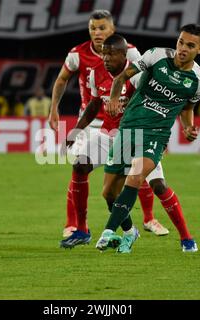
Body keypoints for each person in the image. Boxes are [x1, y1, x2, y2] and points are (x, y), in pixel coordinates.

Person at [49, 9, 166, 238]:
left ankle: (149, 218)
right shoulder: (77, 54)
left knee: (138, 169)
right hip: (92, 121)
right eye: (93, 28)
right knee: (79, 169)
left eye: (102, 28)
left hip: (125, 121)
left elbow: (144, 81)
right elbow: (62, 79)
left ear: (112, 29)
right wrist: (54, 108)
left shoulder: (129, 51)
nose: (97, 32)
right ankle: (74, 224)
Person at [95, 24, 200, 254]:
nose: (182, 48)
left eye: (190, 45)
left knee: (137, 177)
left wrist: (188, 127)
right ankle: (129, 233)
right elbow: (120, 78)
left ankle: (108, 232)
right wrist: (115, 99)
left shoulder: (199, 80)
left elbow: (187, 108)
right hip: (129, 127)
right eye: (180, 42)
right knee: (108, 193)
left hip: (156, 134)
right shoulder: (157, 55)